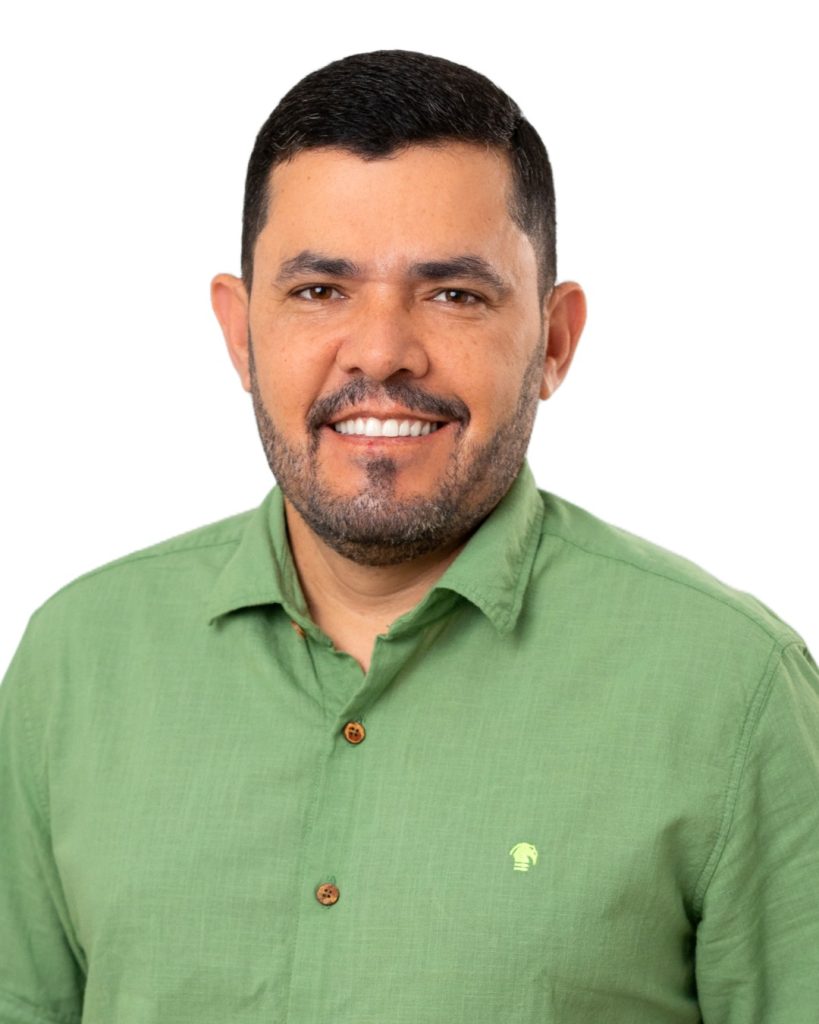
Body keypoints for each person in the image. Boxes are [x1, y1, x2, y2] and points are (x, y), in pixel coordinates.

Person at [1, 49, 817, 1024]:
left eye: (453, 293)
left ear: (554, 340)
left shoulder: (731, 690)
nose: (382, 352)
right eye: (320, 290)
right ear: (239, 332)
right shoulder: (74, 664)